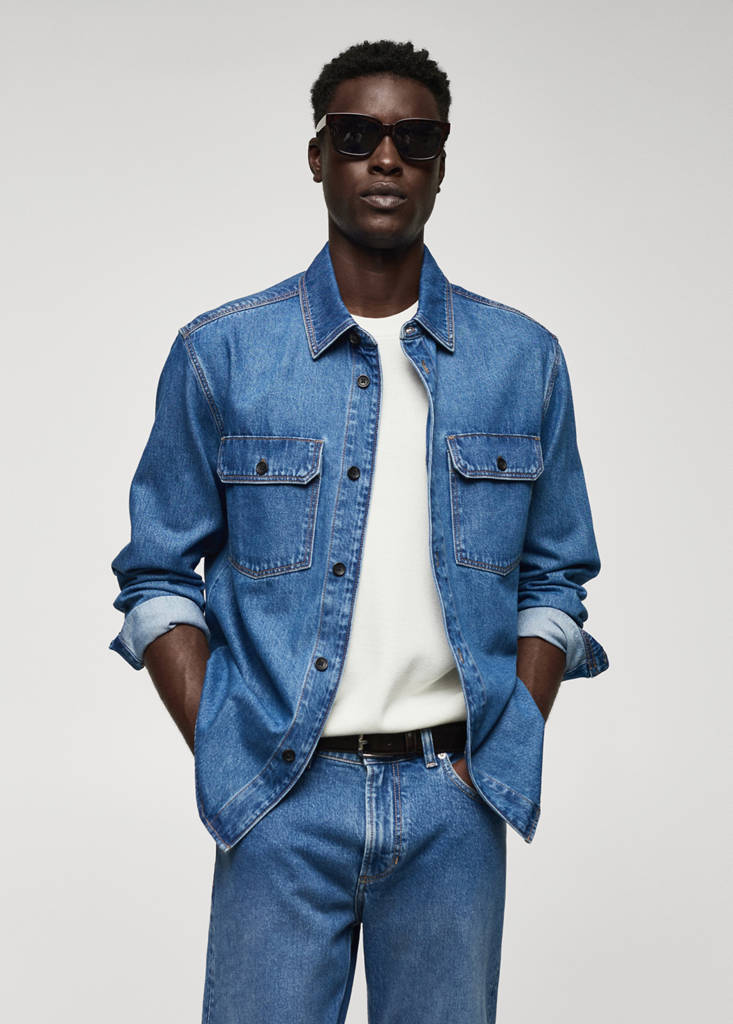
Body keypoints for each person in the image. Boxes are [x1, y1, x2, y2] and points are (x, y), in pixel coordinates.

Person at [109, 38, 608, 1024]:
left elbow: (555, 578)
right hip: (281, 797)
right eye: (356, 135)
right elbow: (156, 572)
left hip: (453, 804)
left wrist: (499, 743)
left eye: (413, 139)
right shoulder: (222, 354)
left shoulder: (523, 360)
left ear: (440, 163)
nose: (386, 158)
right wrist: (227, 741)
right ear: (317, 155)